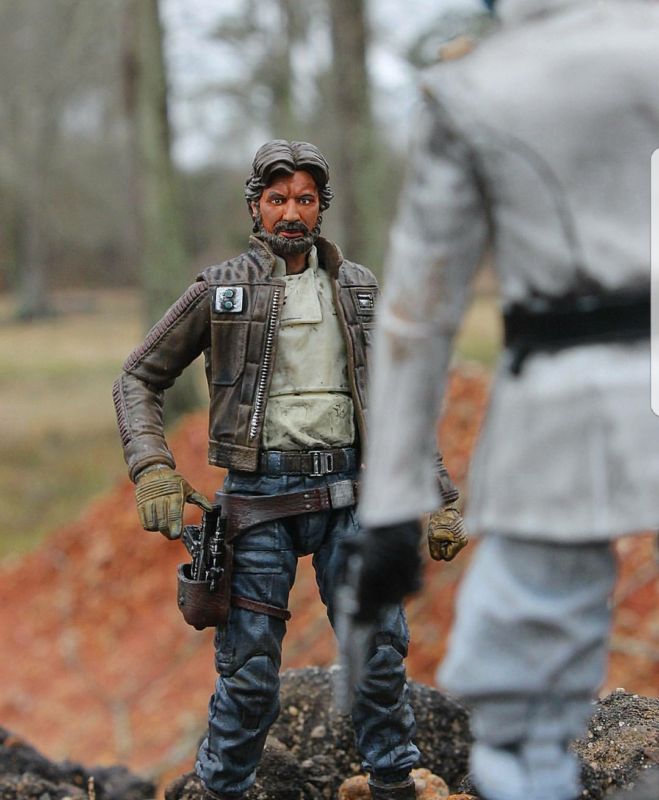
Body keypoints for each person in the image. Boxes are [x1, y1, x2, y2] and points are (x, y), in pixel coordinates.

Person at [356, 2, 659, 800]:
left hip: (561, 406)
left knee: (521, 705)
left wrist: (390, 506)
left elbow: (418, 315)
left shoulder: (473, 88)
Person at [113, 139, 466, 800]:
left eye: (304, 199)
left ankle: (393, 785)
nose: (291, 213)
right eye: (277, 199)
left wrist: (440, 497)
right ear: (256, 205)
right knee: (248, 674)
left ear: (321, 207)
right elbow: (137, 376)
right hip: (257, 502)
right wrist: (152, 466)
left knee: (378, 659)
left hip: (350, 496)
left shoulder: (359, 289)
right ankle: (221, 791)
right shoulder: (221, 289)